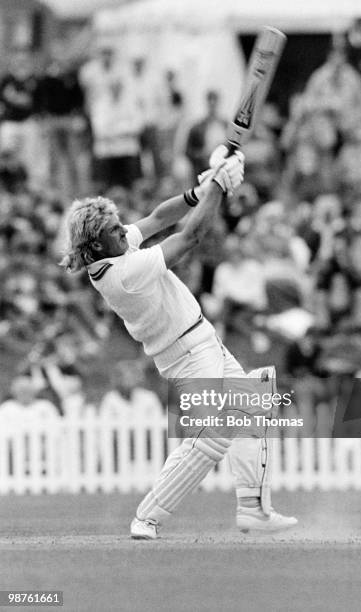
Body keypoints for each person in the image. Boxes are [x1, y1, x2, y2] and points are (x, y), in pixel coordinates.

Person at [61, 145, 297, 540]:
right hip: (186, 354)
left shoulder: (114, 250)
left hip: (203, 340)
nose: (125, 231)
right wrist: (219, 187)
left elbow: (157, 217)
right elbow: (191, 236)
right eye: (116, 231)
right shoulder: (123, 272)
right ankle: (146, 518)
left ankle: (253, 509)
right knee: (212, 435)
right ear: (99, 245)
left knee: (253, 408)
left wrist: (200, 189)